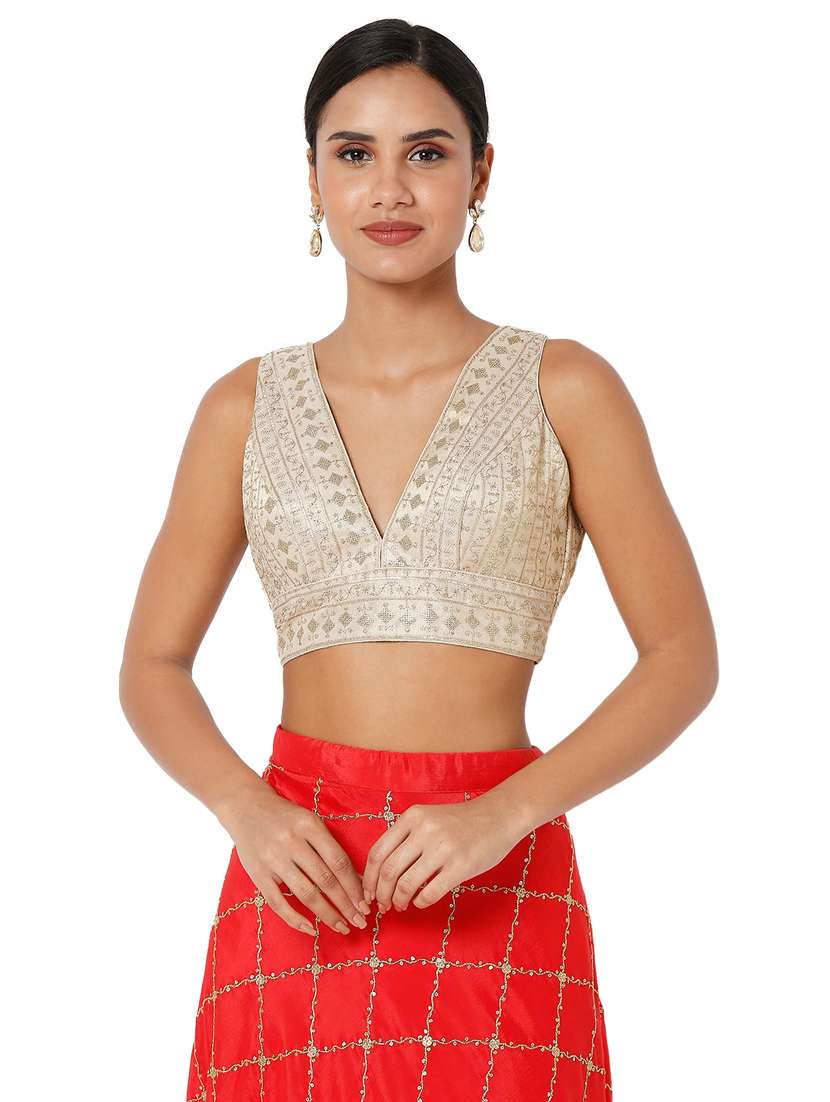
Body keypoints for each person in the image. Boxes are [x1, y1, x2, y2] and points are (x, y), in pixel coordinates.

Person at [118, 18, 718, 1101]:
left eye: (427, 153)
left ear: (480, 174)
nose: (388, 189)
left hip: (496, 867)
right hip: (298, 873)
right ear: (310, 177)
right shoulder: (242, 408)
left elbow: (682, 658)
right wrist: (247, 809)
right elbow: (151, 665)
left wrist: (503, 813)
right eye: (353, 152)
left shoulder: (566, 389)